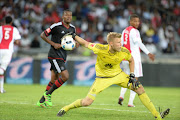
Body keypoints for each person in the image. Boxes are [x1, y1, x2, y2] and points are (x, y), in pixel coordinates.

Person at [57, 32, 170, 120]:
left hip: (118, 75)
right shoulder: (101, 49)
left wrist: (132, 75)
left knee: (140, 89)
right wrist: (74, 36)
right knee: (87, 102)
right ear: (111, 44)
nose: (121, 45)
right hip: (102, 79)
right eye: (118, 43)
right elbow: (85, 43)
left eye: (121, 42)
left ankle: (157, 116)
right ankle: (65, 108)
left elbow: (131, 60)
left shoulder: (124, 51)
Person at [36, 10, 77, 108]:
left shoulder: (72, 28)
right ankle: (48, 94)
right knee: (65, 76)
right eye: (66, 15)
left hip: (63, 56)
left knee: (54, 79)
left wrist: (76, 44)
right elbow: (43, 35)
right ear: (63, 16)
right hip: (54, 55)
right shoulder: (56, 26)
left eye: (70, 16)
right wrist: (53, 44)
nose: (68, 17)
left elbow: (73, 40)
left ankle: (41, 101)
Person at [118, 14, 155, 107]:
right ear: (130, 22)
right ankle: (130, 102)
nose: (137, 23)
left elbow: (121, 44)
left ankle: (121, 96)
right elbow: (139, 43)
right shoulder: (135, 31)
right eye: (135, 21)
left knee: (127, 78)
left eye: (138, 21)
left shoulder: (124, 31)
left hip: (125, 58)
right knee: (135, 79)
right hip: (133, 59)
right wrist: (148, 53)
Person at [0, 16, 21, 93]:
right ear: (11, 22)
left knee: (1, 71)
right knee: (2, 69)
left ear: (5, 21)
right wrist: (14, 42)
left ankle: (1, 89)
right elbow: (17, 41)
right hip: (8, 51)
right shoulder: (14, 29)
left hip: (0, 49)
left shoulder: (0, 28)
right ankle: (1, 89)